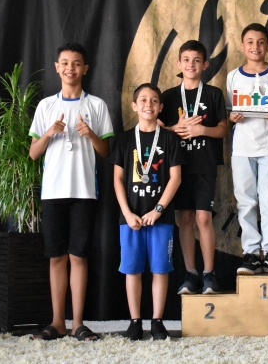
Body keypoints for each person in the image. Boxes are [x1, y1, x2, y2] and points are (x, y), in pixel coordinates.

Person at [29, 42, 114, 341]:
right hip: (52, 192)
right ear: (57, 67)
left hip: (84, 191)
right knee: (56, 257)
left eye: (76, 63)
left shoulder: (97, 105)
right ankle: (57, 323)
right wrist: (49, 133)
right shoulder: (45, 106)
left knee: (79, 256)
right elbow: (33, 153)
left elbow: (105, 151)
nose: (70, 68)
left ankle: (78, 323)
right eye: (65, 63)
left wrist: (90, 133)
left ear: (85, 69)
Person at [110, 83, 184, 341]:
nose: (148, 105)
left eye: (154, 101)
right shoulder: (124, 139)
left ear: (161, 107)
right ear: (134, 106)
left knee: (160, 269)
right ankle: (135, 321)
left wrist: (158, 209)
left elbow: (175, 178)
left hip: (160, 218)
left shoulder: (169, 139)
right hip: (130, 218)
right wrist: (127, 213)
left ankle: (157, 321)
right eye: (143, 100)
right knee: (132, 269)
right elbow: (117, 179)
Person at [158, 40, 227, 295]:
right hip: (178, 167)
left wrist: (200, 130)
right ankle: (191, 273)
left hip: (204, 165)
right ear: (178, 63)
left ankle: (209, 274)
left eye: (197, 60)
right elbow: (155, 126)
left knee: (203, 217)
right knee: (184, 218)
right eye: (186, 60)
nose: (191, 64)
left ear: (205, 65)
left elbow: (223, 129)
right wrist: (174, 128)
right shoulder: (168, 96)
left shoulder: (213, 94)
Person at [226, 23, 268, 275]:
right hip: (242, 148)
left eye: (261, 42)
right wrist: (232, 117)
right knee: (246, 201)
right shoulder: (233, 76)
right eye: (251, 42)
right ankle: (252, 253)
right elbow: (230, 110)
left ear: (267, 46)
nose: (256, 46)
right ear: (242, 46)